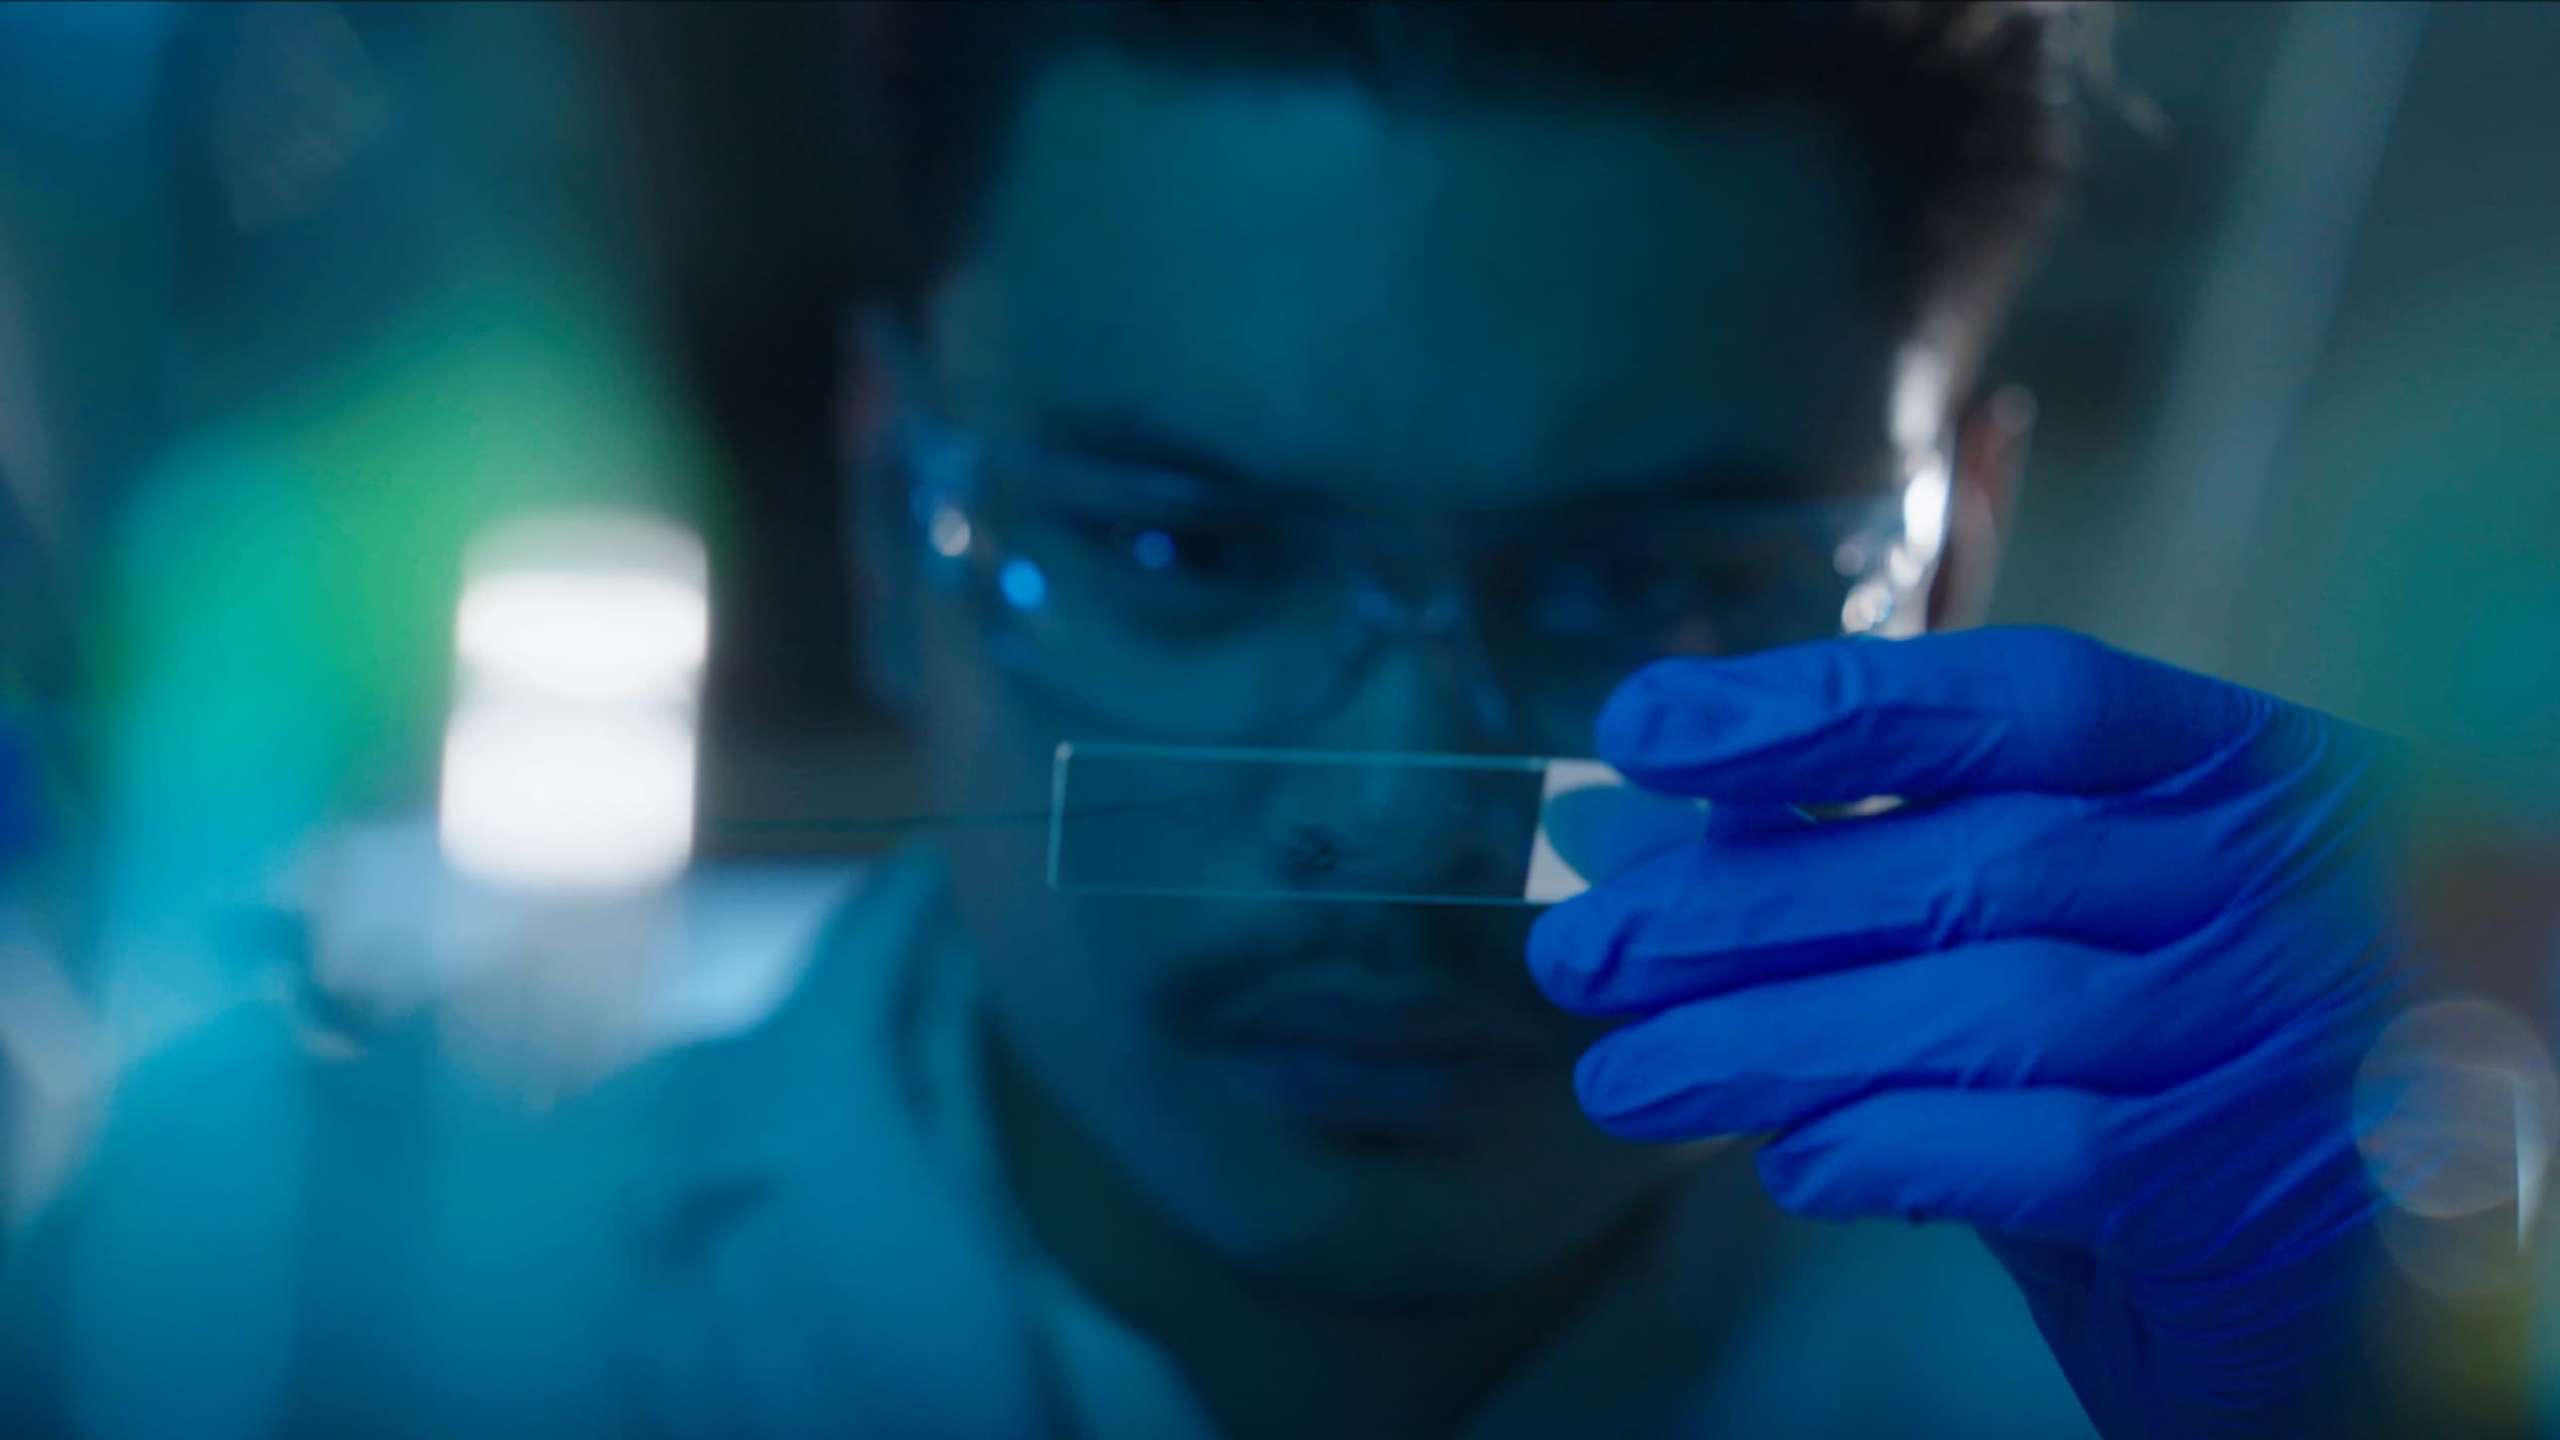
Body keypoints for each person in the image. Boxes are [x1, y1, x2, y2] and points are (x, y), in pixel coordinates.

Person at [0, 4, 2500, 1437]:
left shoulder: (2211, 1367)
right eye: (1181, 549)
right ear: (880, 517)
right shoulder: (295, 1362)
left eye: (1635, 574)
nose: (1390, 808)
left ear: (1939, 575)